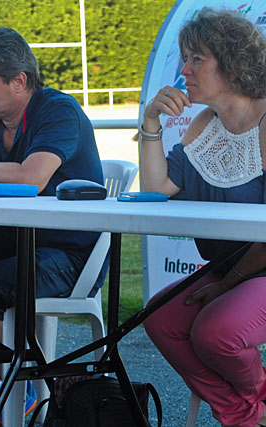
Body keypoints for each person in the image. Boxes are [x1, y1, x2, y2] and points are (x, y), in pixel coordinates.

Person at [0, 27, 105, 426]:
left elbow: (32, 178)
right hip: (15, 246)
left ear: (20, 81)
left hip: (69, 255)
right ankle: (3, 393)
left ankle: (16, 392)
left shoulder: (58, 110)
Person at [141, 8, 266, 427]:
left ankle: (251, 406)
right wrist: (151, 122)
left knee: (215, 332)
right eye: (183, 58)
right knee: (159, 318)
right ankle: (244, 414)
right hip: (229, 271)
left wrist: (227, 285)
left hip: (256, 271)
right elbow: (155, 191)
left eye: (196, 59)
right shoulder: (203, 125)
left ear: (230, 64)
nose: (183, 70)